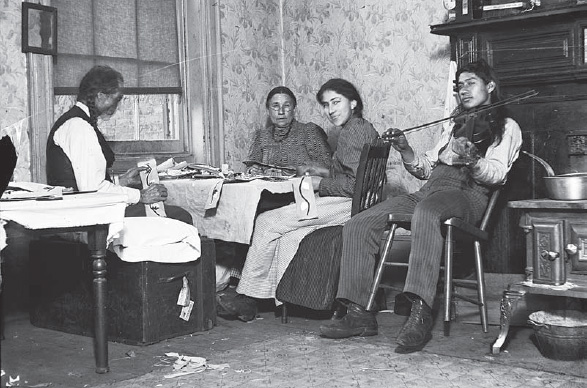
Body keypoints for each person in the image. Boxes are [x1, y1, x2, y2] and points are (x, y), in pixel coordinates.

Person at [319, 60, 523, 354]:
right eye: (459, 85)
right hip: (431, 190)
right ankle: (359, 314)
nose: (463, 90)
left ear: (490, 86)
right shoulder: (456, 124)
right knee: (360, 221)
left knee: (425, 212)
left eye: (471, 83)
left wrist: (474, 161)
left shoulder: (506, 126)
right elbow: (426, 167)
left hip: (467, 194)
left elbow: (497, 173)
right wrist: (404, 148)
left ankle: (420, 314)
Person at [217, 78, 380, 321]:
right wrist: (318, 173)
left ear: (353, 102)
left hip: (350, 206)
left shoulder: (353, 132)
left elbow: (355, 185)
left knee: (266, 221)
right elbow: (352, 175)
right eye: (326, 105)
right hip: (353, 202)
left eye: (336, 102)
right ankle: (277, 300)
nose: (330, 110)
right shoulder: (359, 128)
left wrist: (319, 183)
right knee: (288, 235)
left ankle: (247, 298)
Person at [46, 65, 191, 223]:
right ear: (100, 96)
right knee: (180, 217)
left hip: (84, 209)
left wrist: (121, 181)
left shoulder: (76, 122)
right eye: (116, 100)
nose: (116, 107)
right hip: (84, 216)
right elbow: (92, 191)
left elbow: (87, 181)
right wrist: (141, 196)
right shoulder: (79, 127)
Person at [245, 86, 332, 176]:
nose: (281, 111)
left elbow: (327, 168)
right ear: (268, 110)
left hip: (302, 188)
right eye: (275, 106)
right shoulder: (262, 136)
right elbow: (251, 166)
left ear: (294, 109)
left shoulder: (309, 131)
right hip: (267, 188)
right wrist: (253, 171)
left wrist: (291, 172)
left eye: (286, 106)